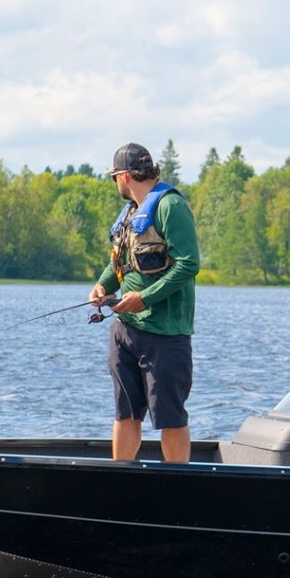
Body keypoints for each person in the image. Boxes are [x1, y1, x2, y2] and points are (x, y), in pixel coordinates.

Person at [89, 142, 201, 462]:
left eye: (114, 177)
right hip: (124, 330)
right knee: (125, 413)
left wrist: (145, 298)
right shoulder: (131, 212)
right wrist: (102, 285)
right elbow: (119, 263)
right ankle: (121, 477)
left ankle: (178, 483)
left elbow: (189, 264)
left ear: (124, 176)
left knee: (170, 416)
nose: (115, 183)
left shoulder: (170, 206)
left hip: (165, 334)